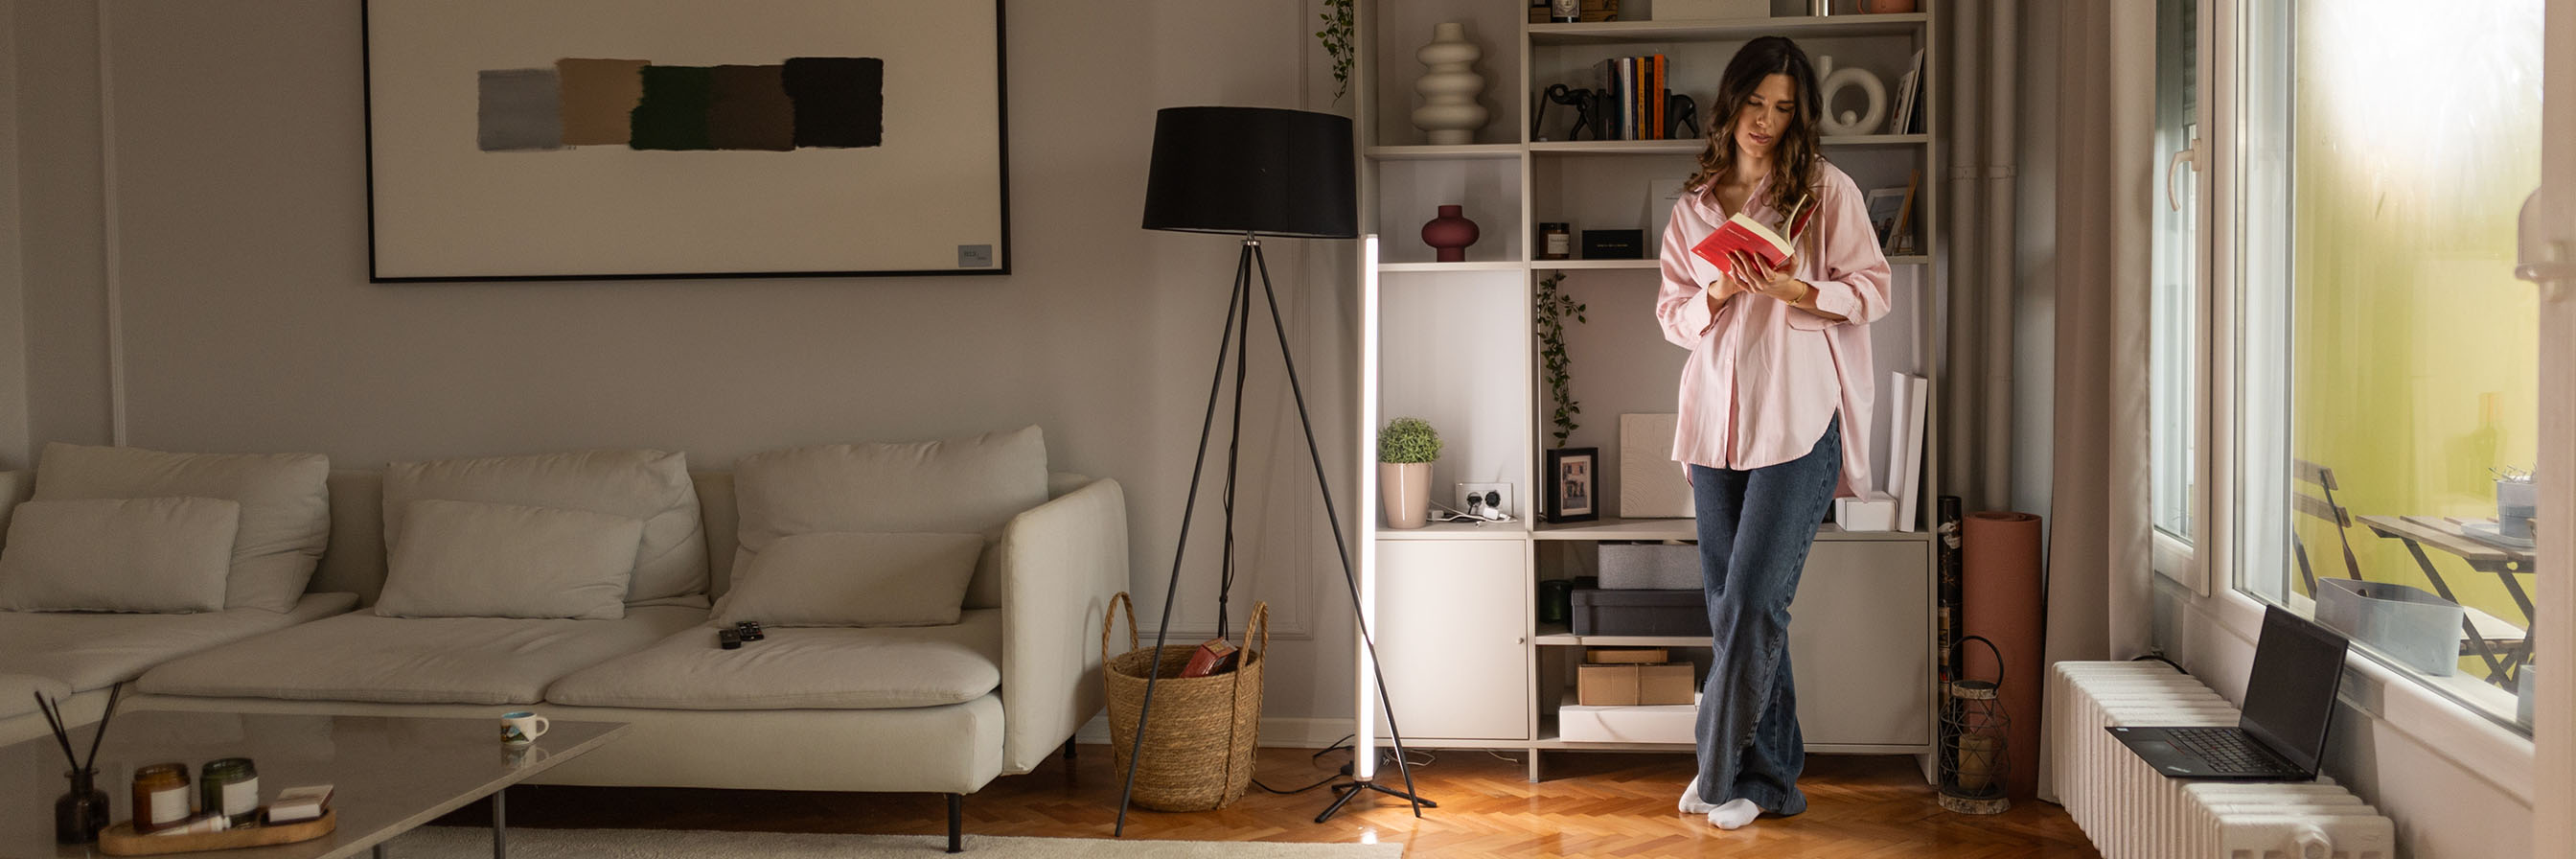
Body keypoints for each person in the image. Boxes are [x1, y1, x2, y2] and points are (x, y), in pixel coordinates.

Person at [1651, 35, 1892, 830]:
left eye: (1783, 108)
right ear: (1732, 103)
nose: (1765, 120)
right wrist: (1719, 291)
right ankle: (1769, 783)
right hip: (1713, 430)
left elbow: (1874, 290)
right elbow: (1674, 319)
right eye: (1755, 102)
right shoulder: (1692, 208)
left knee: (1754, 604)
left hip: (1799, 425)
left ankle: (1717, 770)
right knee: (1738, 615)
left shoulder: (1824, 192)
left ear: (1799, 116)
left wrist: (1798, 288)